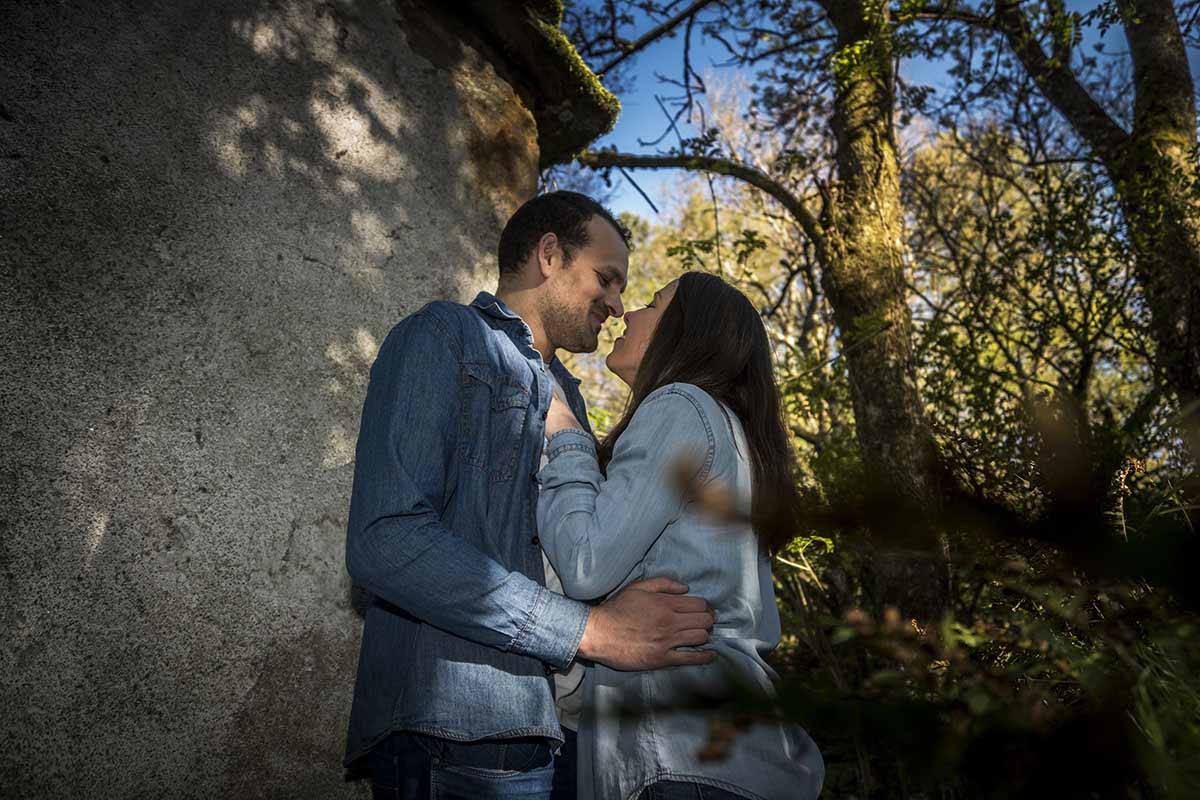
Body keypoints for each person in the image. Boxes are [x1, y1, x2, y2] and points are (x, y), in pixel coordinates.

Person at [343, 191, 718, 799]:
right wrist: (592, 631)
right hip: (462, 730)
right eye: (606, 278)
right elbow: (386, 539)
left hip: (562, 736)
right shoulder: (446, 336)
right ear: (549, 255)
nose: (617, 305)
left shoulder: (569, 396)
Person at [538, 272, 826, 800]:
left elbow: (585, 562)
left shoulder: (681, 405)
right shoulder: (734, 436)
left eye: (652, 304)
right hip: (734, 757)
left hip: (678, 758)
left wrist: (567, 436)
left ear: (685, 332)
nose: (628, 313)